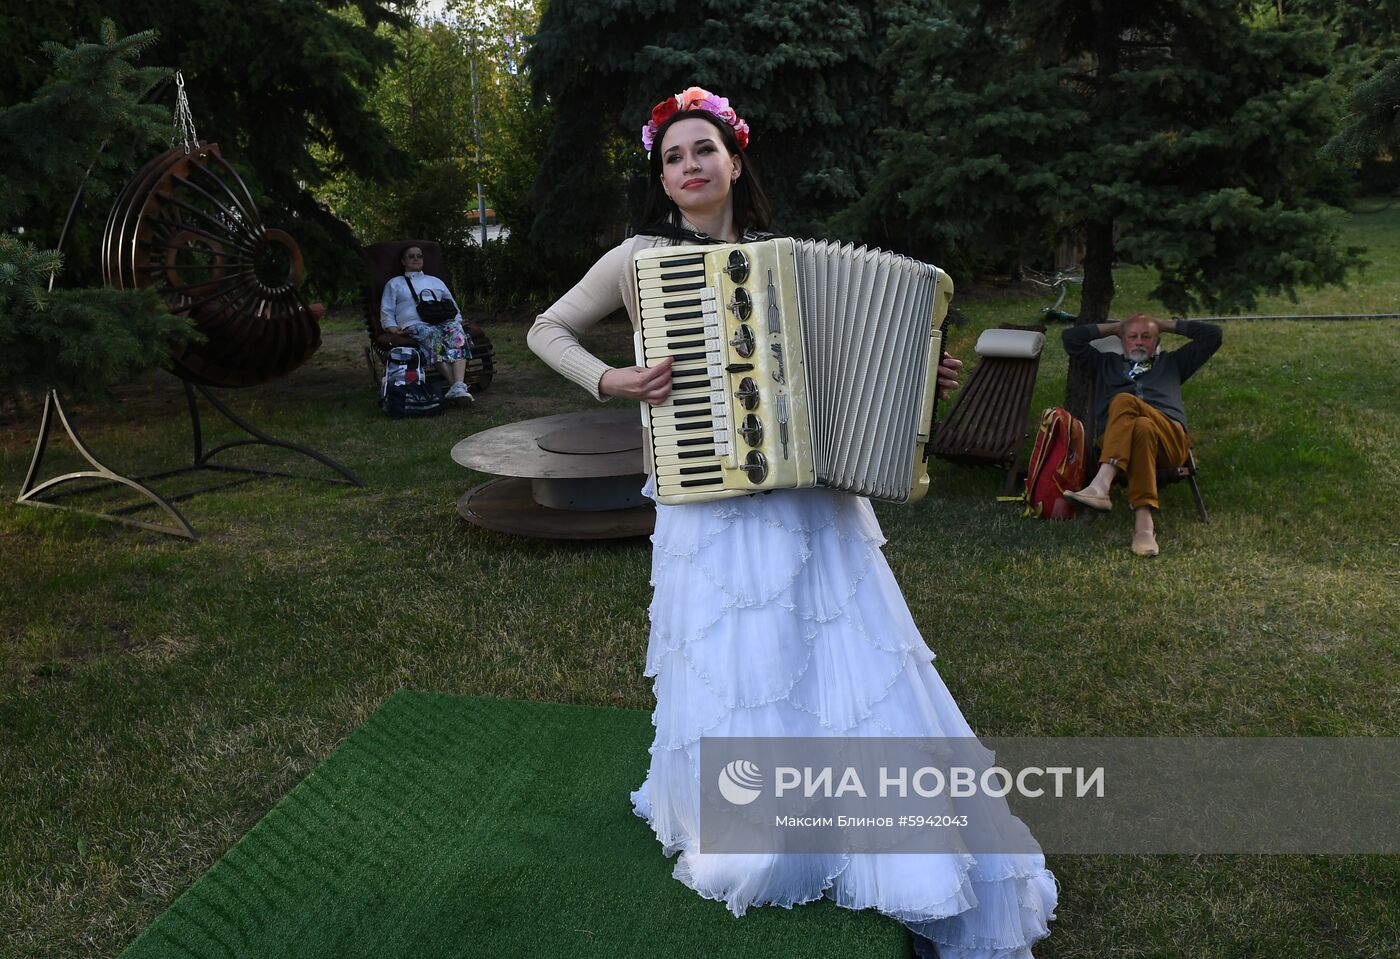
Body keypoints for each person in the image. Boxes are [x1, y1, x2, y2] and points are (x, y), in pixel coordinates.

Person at [529, 86, 1056, 958]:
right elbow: (549, 330)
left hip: (811, 499)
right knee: (741, 660)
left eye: (704, 150)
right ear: (663, 180)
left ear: (735, 162)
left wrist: (919, 377)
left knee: (844, 658)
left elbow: (849, 384)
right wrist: (610, 379)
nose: (690, 167)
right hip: (704, 500)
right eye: (673, 157)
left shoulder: (791, 263)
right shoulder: (637, 260)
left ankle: (899, 850)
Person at [1062, 313, 1222, 556]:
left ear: (1156, 342)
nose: (1138, 342)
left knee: (1126, 401)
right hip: (1122, 443)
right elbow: (1071, 338)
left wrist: (1163, 325)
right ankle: (1144, 526)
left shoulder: (1174, 363)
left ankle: (1102, 483)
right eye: (1132, 336)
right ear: (1122, 340)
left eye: (1146, 337)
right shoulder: (1104, 363)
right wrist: (1116, 327)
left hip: (1169, 442)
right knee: (1142, 427)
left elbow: (1213, 335)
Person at [380, 244, 474, 401]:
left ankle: (457, 386)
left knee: (457, 333)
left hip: (442, 319)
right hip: (415, 323)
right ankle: (457, 386)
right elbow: (387, 309)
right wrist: (392, 328)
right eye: (411, 256)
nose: (416, 259)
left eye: (419, 256)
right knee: (431, 335)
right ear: (403, 261)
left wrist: (457, 320)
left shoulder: (435, 281)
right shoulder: (394, 283)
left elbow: (451, 303)